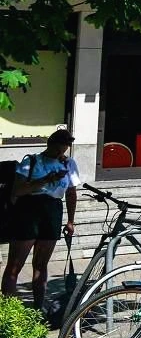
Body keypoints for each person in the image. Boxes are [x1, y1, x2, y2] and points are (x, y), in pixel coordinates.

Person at [2, 128, 80, 309]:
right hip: (29, 210)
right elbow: (18, 190)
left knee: (41, 264)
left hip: (53, 210)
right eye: (59, 145)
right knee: (15, 265)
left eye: (66, 145)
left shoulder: (69, 164)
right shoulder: (31, 161)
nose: (62, 150)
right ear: (50, 143)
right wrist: (46, 179)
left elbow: (71, 193)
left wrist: (71, 220)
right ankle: (8, 311)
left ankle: (38, 308)